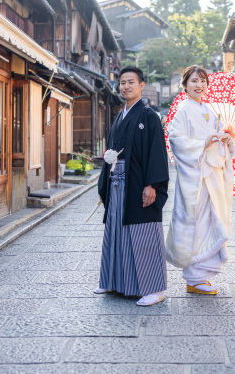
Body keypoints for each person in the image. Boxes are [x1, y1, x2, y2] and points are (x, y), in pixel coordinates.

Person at [96, 66, 170, 306]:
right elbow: (112, 151)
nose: (125, 86)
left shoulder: (149, 116)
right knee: (117, 232)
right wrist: (105, 183)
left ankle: (155, 288)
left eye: (131, 82)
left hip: (138, 183)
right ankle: (115, 282)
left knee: (143, 234)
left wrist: (152, 185)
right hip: (117, 184)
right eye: (122, 82)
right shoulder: (119, 116)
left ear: (141, 85)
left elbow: (157, 152)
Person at [165, 65, 235, 295]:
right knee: (197, 223)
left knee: (211, 221)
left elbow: (215, 141)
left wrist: (224, 140)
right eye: (194, 81)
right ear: (185, 85)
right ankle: (194, 277)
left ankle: (202, 274)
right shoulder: (183, 110)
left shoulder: (210, 110)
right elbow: (176, 139)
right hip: (195, 177)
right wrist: (203, 144)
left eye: (203, 81)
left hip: (211, 175)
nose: (199, 85)